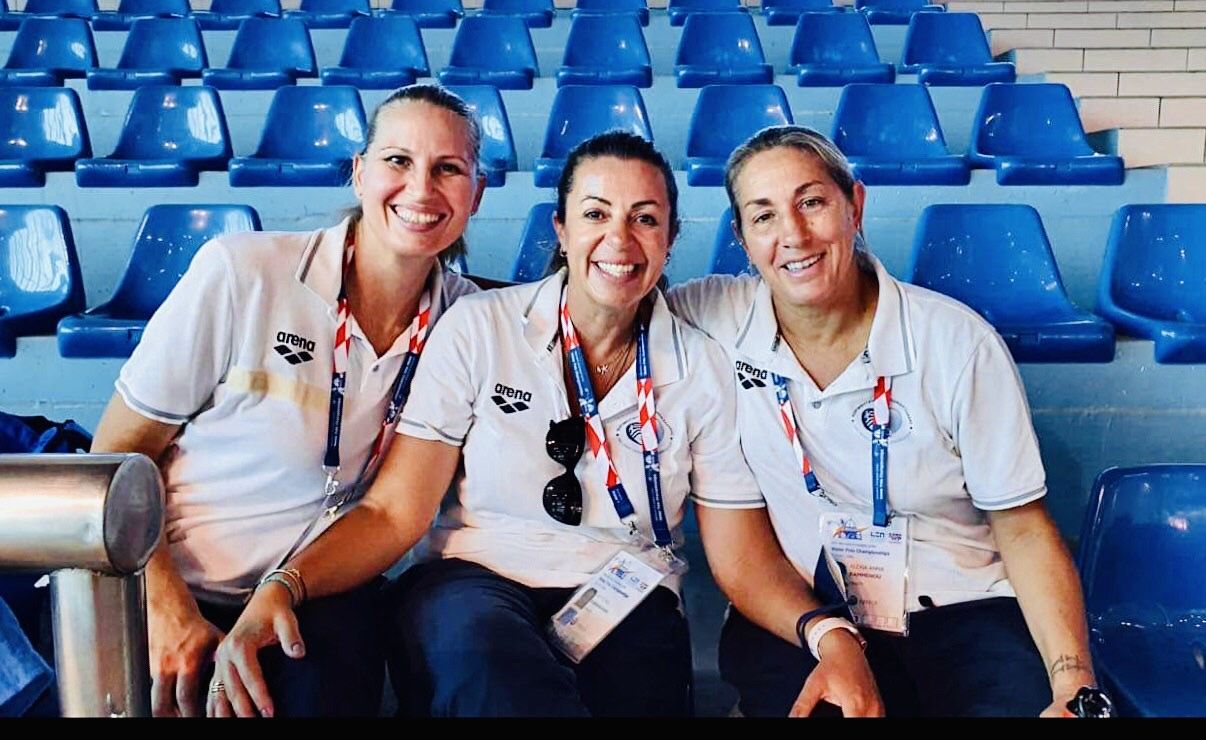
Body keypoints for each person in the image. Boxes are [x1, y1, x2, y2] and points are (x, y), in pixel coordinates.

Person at [208, 132, 764, 718]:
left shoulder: (701, 364)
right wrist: (287, 583)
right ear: (561, 229)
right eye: (595, 214)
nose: (619, 240)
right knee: (490, 672)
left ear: (670, 240)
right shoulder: (478, 327)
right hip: (475, 576)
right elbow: (394, 511)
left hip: (628, 590)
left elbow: (736, 549)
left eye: (645, 219)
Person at [668, 125, 1108, 718]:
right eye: (763, 216)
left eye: (812, 202)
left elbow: (1024, 529)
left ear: (855, 205)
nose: (793, 235)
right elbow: (605, 297)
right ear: (743, 239)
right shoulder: (713, 318)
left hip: (960, 606)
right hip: (808, 610)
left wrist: (1072, 684)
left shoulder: (956, 342)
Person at [90, 84, 487, 718]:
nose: (421, 189)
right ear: (359, 173)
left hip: (314, 590)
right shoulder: (242, 272)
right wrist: (162, 605)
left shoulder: (468, 320)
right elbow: (117, 452)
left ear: (476, 194)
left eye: (448, 169)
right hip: (172, 578)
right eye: (397, 161)